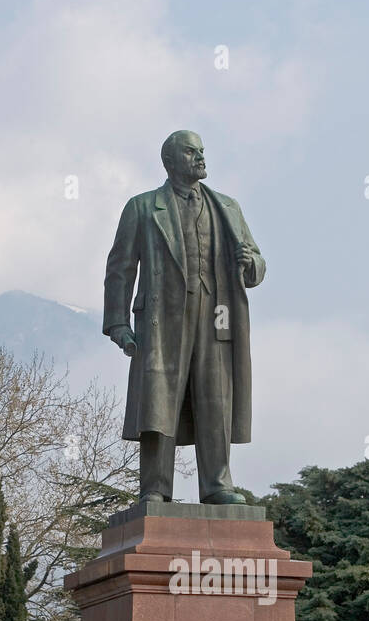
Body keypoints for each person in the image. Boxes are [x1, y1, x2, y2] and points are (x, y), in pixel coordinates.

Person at [103, 130, 266, 505]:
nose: (201, 157)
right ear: (171, 161)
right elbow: (121, 268)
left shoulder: (227, 208)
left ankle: (216, 484)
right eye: (192, 152)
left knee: (216, 399)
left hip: (217, 317)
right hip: (162, 321)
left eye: (202, 151)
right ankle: (155, 489)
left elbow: (257, 263)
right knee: (160, 403)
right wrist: (119, 325)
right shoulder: (143, 207)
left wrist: (250, 264)